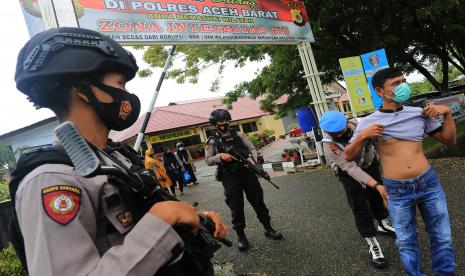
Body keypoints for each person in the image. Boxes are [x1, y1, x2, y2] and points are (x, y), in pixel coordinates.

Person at [11, 27, 227, 275]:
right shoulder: (52, 180)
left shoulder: (115, 156)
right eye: (120, 84)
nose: (127, 95)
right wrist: (163, 218)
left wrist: (196, 217)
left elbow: (140, 209)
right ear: (82, 90)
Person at [344, 68, 456, 275]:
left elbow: (449, 140)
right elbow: (348, 157)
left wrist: (447, 114)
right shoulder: (368, 122)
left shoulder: (418, 113)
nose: (403, 86)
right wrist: (362, 137)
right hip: (397, 190)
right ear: (380, 91)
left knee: (443, 237)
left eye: (404, 81)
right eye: (396, 83)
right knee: (406, 242)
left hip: (428, 184)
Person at [320, 111, 395, 269]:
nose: (340, 135)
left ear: (347, 123)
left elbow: (380, 140)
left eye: (342, 130)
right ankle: (372, 241)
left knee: (377, 197)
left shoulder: (361, 124)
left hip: (369, 163)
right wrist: (375, 184)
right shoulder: (329, 144)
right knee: (360, 206)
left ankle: (383, 223)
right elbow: (350, 167)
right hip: (348, 172)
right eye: (335, 134)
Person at [205, 109, 282, 251]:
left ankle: (268, 228)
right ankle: (241, 236)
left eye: (226, 121)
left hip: (247, 172)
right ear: (215, 124)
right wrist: (220, 156)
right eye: (221, 122)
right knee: (236, 205)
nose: (224, 124)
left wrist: (251, 162)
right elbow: (208, 160)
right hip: (229, 176)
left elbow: (252, 148)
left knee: (258, 200)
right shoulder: (212, 141)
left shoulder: (239, 134)